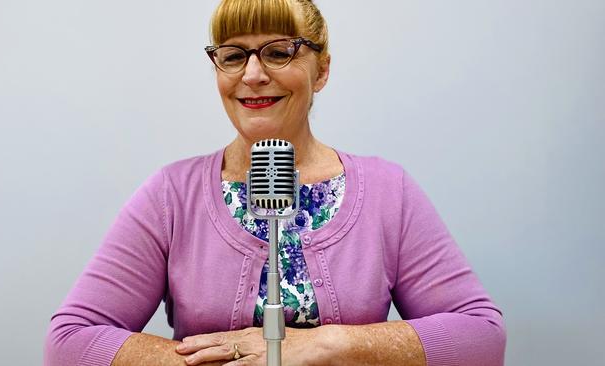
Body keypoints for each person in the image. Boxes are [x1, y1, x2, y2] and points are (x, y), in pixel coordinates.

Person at [44, 0, 506, 365]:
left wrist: (327, 346)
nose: (253, 75)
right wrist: (229, 360)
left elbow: (480, 340)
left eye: (279, 51)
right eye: (232, 56)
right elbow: (69, 343)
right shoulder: (172, 195)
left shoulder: (389, 191)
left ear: (321, 70)